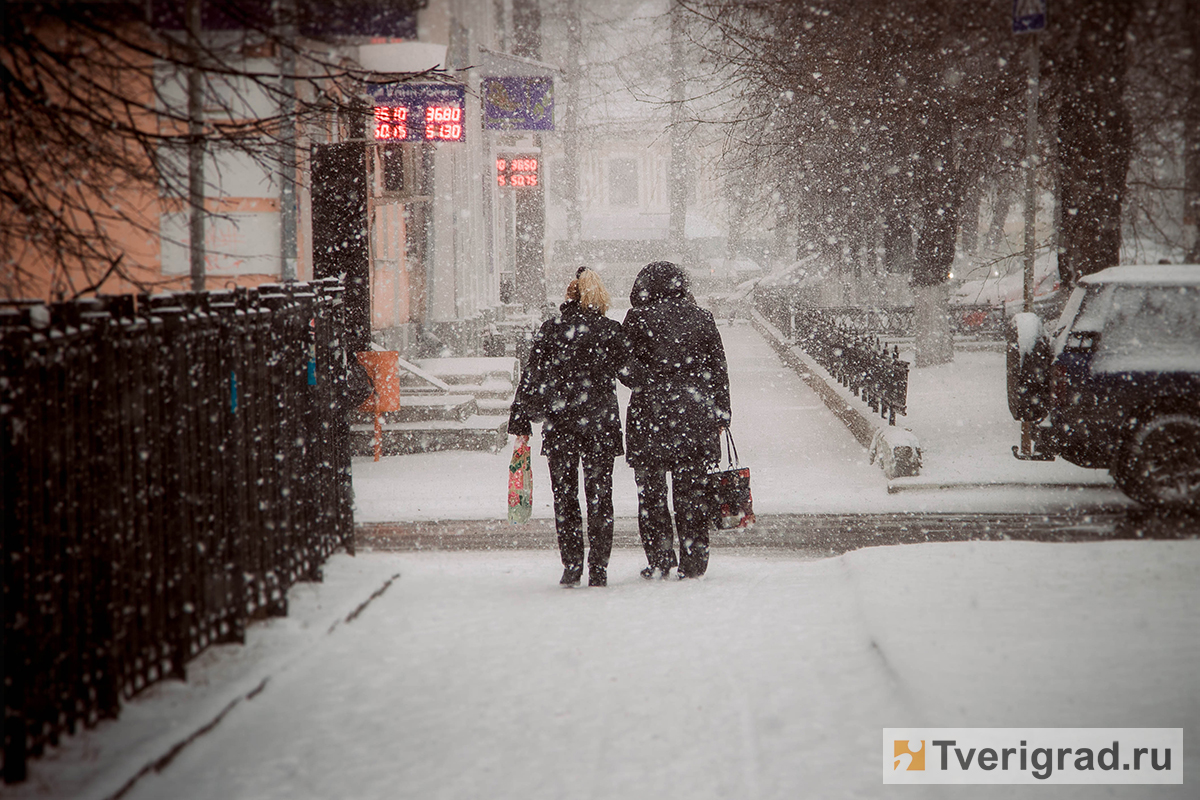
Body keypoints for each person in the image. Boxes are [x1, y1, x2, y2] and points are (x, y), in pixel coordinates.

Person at [507, 268, 629, 587]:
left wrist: (521, 417)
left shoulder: (552, 330)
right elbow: (631, 373)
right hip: (600, 426)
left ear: (567, 299)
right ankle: (599, 568)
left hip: (561, 425)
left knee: (565, 497)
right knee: (600, 496)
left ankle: (572, 565)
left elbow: (532, 376)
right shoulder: (609, 330)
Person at [622, 261, 731, 580]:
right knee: (691, 493)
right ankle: (694, 560)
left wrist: (647, 380)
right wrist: (721, 413)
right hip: (694, 416)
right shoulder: (702, 318)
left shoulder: (637, 319)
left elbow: (622, 363)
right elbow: (718, 369)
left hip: (650, 416)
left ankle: (660, 557)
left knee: (651, 494)